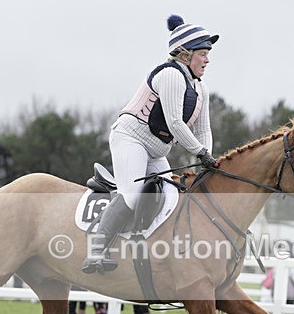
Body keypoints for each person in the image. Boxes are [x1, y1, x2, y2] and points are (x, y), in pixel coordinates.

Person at [82, 14, 219, 274]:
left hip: (156, 150)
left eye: (208, 53)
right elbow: (176, 123)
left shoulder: (201, 89)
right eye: (202, 53)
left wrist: (209, 158)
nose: (207, 59)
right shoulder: (170, 74)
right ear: (184, 54)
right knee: (132, 195)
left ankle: (146, 247)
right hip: (130, 139)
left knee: (171, 197)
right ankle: (96, 251)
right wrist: (201, 153)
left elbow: (204, 129)